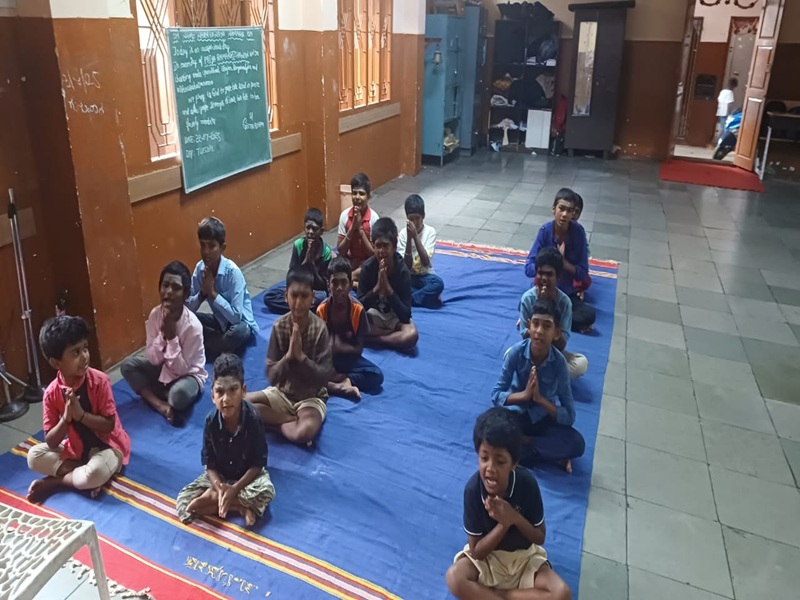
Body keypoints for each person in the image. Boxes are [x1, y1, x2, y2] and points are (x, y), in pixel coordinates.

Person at [445, 407, 572, 600]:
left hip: (523, 559)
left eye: (500, 461)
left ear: (514, 463)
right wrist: (503, 525)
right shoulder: (473, 490)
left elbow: (539, 537)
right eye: (484, 458)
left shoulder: (526, 483)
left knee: (561, 593)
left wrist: (514, 517)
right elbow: (477, 552)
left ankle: (496, 595)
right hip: (488, 562)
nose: (490, 468)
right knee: (454, 577)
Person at [27, 316, 131, 504]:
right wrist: (66, 419)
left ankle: (57, 482)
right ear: (56, 363)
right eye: (76, 353)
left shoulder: (99, 381)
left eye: (85, 348)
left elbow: (109, 425)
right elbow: (51, 441)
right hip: (77, 450)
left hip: (108, 448)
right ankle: (81, 476)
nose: (84, 356)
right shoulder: (51, 393)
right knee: (33, 457)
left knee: (95, 472)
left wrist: (81, 416)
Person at [176, 354, 275, 527]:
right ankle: (238, 506)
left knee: (266, 490)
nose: (226, 399)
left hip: (246, 478)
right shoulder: (210, 421)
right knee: (183, 502)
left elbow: (258, 464)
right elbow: (210, 463)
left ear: (243, 391)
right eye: (220, 392)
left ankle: (215, 500)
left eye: (233, 390)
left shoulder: (253, 418)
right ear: (212, 395)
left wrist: (234, 489)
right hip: (220, 477)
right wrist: (219, 487)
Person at [492, 298, 585, 473]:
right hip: (518, 415)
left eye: (547, 326)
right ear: (529, 326)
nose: (539, 331)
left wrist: (541, 400)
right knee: (490, 426)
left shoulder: (559, 363)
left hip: (543, 419)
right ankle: (548, 454)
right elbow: (496, 394)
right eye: (535, 324)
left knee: (577, 443)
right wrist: (524, 396)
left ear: (557, 333)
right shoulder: (516, 353)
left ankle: (523, 445)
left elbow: (569, 415)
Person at [246, 268, 332, 446]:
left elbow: (324, 378)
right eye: (294, 295)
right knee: (238, 404)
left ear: (313, 298)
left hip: (310, 398)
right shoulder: (279, 327)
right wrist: (288, 357)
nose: (298, 302)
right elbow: (271, 377)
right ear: (286, 296)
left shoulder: (320, 329)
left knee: (304, 431)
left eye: (304, 296)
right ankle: (287, 421)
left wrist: (301, 358)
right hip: (281, 393)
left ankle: (274, 424)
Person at [121, 261, 207, 425]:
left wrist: (172, 337)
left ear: (186, 294)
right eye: (165, 285)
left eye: (176, 288)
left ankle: (164, 393)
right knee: (127, 366)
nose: (168, 292)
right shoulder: (155, 315)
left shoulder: (193, 326)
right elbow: (153, 359)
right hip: (164, 367)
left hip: (188, 375)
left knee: (178, 396)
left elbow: (182, 369)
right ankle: (159, 404)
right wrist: (163, 335)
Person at [186, 217, 258, 358]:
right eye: (203, 245)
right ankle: (220, 344)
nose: (206, 251)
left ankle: (209, 343)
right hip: (220, 322)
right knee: (186, 319)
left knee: (239, 331)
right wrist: (202, 294)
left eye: (212, 246)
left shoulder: (233, 273)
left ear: (222, 248)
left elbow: (236, 318)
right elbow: (188, 308)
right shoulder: (200, 269)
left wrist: (212, 293)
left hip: (240, 324)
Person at [525, 188, 595, 333]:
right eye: (561, 209)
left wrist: (563, 264)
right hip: (543, 291)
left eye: (569, 211)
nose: (564, 214)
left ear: (573, 214)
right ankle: (557, 322)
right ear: (554, 209)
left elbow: (583, 274)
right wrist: (548, 264)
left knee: (589, 315)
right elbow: (528, 268)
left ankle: (545, 322)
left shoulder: (578, 233)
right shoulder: (545, 231)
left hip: (567, 294)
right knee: (526, 303)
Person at [317, 257, 384, 400]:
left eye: (343, 283)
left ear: (350, 284)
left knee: (376, 375)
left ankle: (343, 381)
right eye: (335, 283)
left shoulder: (358, 310)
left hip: (349, 360)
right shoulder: (321, 310)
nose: (339, 288)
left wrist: (339, 347)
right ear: (328, 285)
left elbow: (359, 348)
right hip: (327, 360)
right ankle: (337, 383)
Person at [519, 248, 588, 379]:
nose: (544, 279)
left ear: (558, 277)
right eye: (540, 273)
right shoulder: (527, 299)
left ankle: (539, 376)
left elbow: (561, 345)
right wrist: (539, 305)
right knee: (509, 354)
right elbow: (526, 340)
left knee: (581, 363)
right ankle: (548, 378)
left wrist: (549, 305)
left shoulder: (564, 303)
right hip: (531, 354)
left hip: (554, 354)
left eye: (549, 274)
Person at [357, 217, 419, 351]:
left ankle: (375, 339)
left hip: (394, 318)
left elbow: (406, 315)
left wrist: (388, 289)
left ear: (394, 247)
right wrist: (377, 289)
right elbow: (359, 307)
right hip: (373, 316)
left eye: (386, 246)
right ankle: (390, 337)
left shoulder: (402, 271)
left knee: (411, 335)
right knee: (351, 324)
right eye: (378, 246)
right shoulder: (367, 268)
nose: (381, 251)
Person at [264, 208, 332, 314]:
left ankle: (295, 305)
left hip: (314, 289)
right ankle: (304, 307)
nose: (310, 232)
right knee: (269, 296)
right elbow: (292, 275)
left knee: (322, 298)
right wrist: (307, 259)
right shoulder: (298, 245)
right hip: (298, 285)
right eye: (308, 228)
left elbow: (323, 285)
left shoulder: (326, 251)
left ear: (321, 231)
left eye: (315, 229)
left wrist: (312, 264)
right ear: (304, 228)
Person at [397, 194, 444, 308]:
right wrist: (409, 239)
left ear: (423, 216)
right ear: (407, 218)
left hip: (425, 275)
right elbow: (406, 266)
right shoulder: (403, 234)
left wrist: (416, 237)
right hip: (409, 277)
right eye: (411, 219)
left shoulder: (430, 232)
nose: (414, 223)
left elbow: (426, 262)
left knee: (438, 284)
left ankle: (409, 299)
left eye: (417, 218)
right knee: (395, 283)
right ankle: (425, 298)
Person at [337, 172, 380, 284]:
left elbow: (374, 254)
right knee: (332, 259)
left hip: (367, 263)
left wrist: (360, 230)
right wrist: (352, 228)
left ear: (368, 196)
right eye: (354, 193)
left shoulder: (374, 219)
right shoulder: (345, 216)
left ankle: (349, 279)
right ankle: (352, 282)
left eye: (361, 194)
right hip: (350, 261)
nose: (357, 197)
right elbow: (341, 250)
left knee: (375, 266)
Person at [570, 192, 592, 299]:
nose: (573, 214)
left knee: (584, 280)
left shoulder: (579, 232)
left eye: (577, 211)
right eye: (570, 210)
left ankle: (578, 290)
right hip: (556, 268)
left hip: (570, 268)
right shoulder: (548, 229)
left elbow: (583, 259)